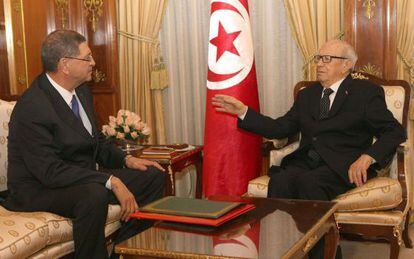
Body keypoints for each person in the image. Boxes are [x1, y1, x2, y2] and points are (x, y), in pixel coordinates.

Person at [212, 39, 406, 259]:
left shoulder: (366, 93)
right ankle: (281, 251)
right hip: (306, 162)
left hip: (343, 164)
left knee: (309, 184)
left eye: (327, 59)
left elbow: (394, 131)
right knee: (281, 180)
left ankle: (327, 254)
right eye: (318, 58)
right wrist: (244, 112)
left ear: (347, 65)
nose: (319, 64)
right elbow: (280, 127)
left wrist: (368, 157)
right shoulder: (308, 94)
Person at [2, 30, 166, 259]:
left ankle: (120, 251)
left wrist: (126, 160)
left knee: (153, 175)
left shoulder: (81, 91)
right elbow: (49, 171)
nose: (93, 62)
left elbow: (95, 141)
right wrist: (109, 180)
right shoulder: (34, 106)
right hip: (38, 188)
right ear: (65, 65)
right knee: (94, 195)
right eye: (87, 58)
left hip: (79, 179)